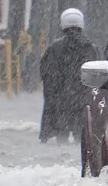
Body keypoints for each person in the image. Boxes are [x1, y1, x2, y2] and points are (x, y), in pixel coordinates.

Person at [39, 8, 100, 144]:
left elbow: (46, 74)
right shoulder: (90, 48)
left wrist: (53, 96)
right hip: (82, 102)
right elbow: (98, 75)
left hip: (60, 104)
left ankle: (61, 161)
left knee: (61, 137)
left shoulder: (54, 48)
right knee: (82, 140)